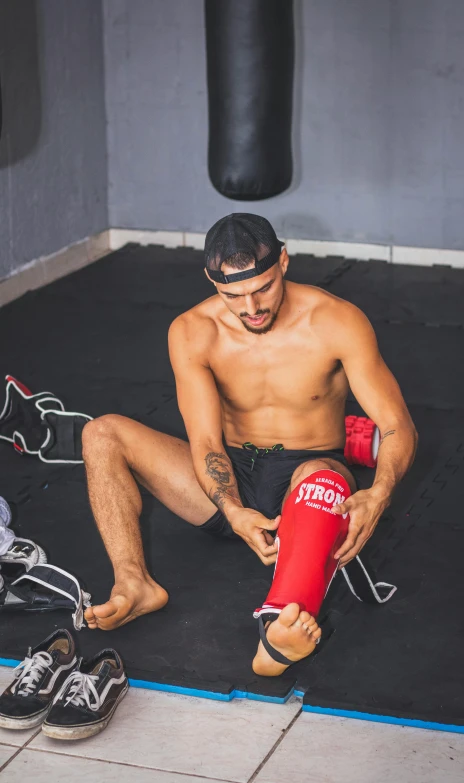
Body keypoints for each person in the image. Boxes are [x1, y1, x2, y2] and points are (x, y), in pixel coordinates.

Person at [82, 213, 417, 676]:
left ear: (283, 261)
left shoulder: (335, 321)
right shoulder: (193, 330)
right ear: (209, 279)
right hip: (229, 474)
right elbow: (204, 440)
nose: (251, 305)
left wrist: (378, 494)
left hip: (308, 466)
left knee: (324, 482)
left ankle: (277, 633)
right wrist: (233, 509)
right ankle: (134, 584)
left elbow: (398, 425)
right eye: (233, 295)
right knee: (101, 433)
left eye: (263, 287)